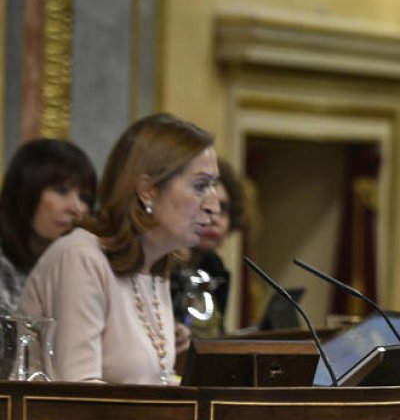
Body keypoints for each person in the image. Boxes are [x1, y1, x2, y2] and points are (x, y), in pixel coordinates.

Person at [18, 113, 220, 384]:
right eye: (200, 186)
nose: (213, 206)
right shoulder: (82, 257)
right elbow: (79, 395)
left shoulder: (154, 265)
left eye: (214, 186)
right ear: (147, 190)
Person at [0, 139, 96, 315]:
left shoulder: (83, 268)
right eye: (61, 190)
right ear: (25, 192)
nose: (76, 208)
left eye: (85, 198)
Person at [170, 157, 246, 337]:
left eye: (224, 208)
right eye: (204, 206)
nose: (214, 218)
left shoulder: (215, 268)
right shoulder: (160, 265)